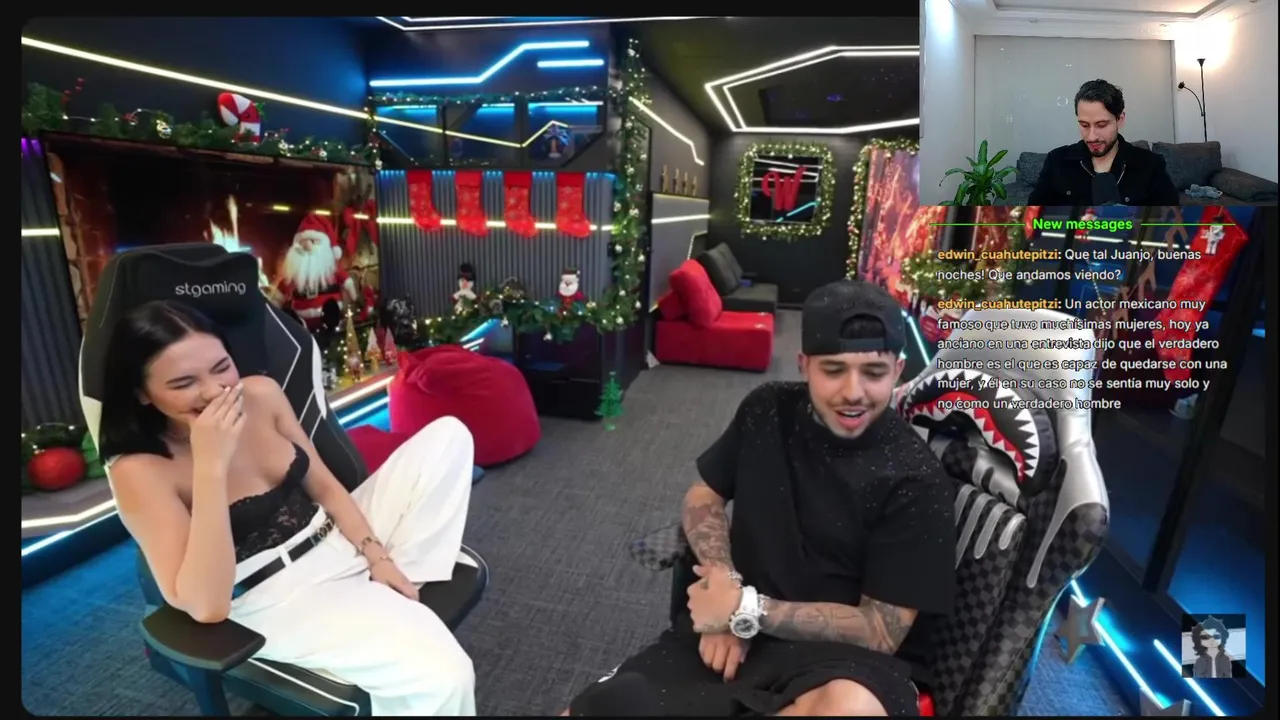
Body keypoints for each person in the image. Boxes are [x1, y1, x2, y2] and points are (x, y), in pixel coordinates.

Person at [564, 280, 956, 716]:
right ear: (804, 365)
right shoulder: (766, 409)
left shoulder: (917, 480)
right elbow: (704, 494)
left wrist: (745, 610)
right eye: (833, 370)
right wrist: (722, 583)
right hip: (730, 638)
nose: (853, 391)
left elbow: (881, 631)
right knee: (601, 706)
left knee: (851, 708)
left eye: (874, 372)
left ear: (898, 370)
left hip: (844, 661)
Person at [98, 300, 476, 716]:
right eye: (184, 383)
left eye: (222, 367)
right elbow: (207, 606)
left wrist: (376, 555)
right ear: (142, 393)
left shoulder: (261, 393)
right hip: (279, 596)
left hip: (334, 537)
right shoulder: (139, 471)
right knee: (446, 677)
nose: (215, 391)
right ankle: (392, 621)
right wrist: (210, 465)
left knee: (449, 436)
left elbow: (325, 487)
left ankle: (398, 588)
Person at [1028, 79, 1180, 206]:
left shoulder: (1150, 164)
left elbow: (1172, 222)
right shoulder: (1056, 161)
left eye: (1101, 125)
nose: (1092, 137)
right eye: (1084, 125)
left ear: (1120, 120)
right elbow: (1031, 220)